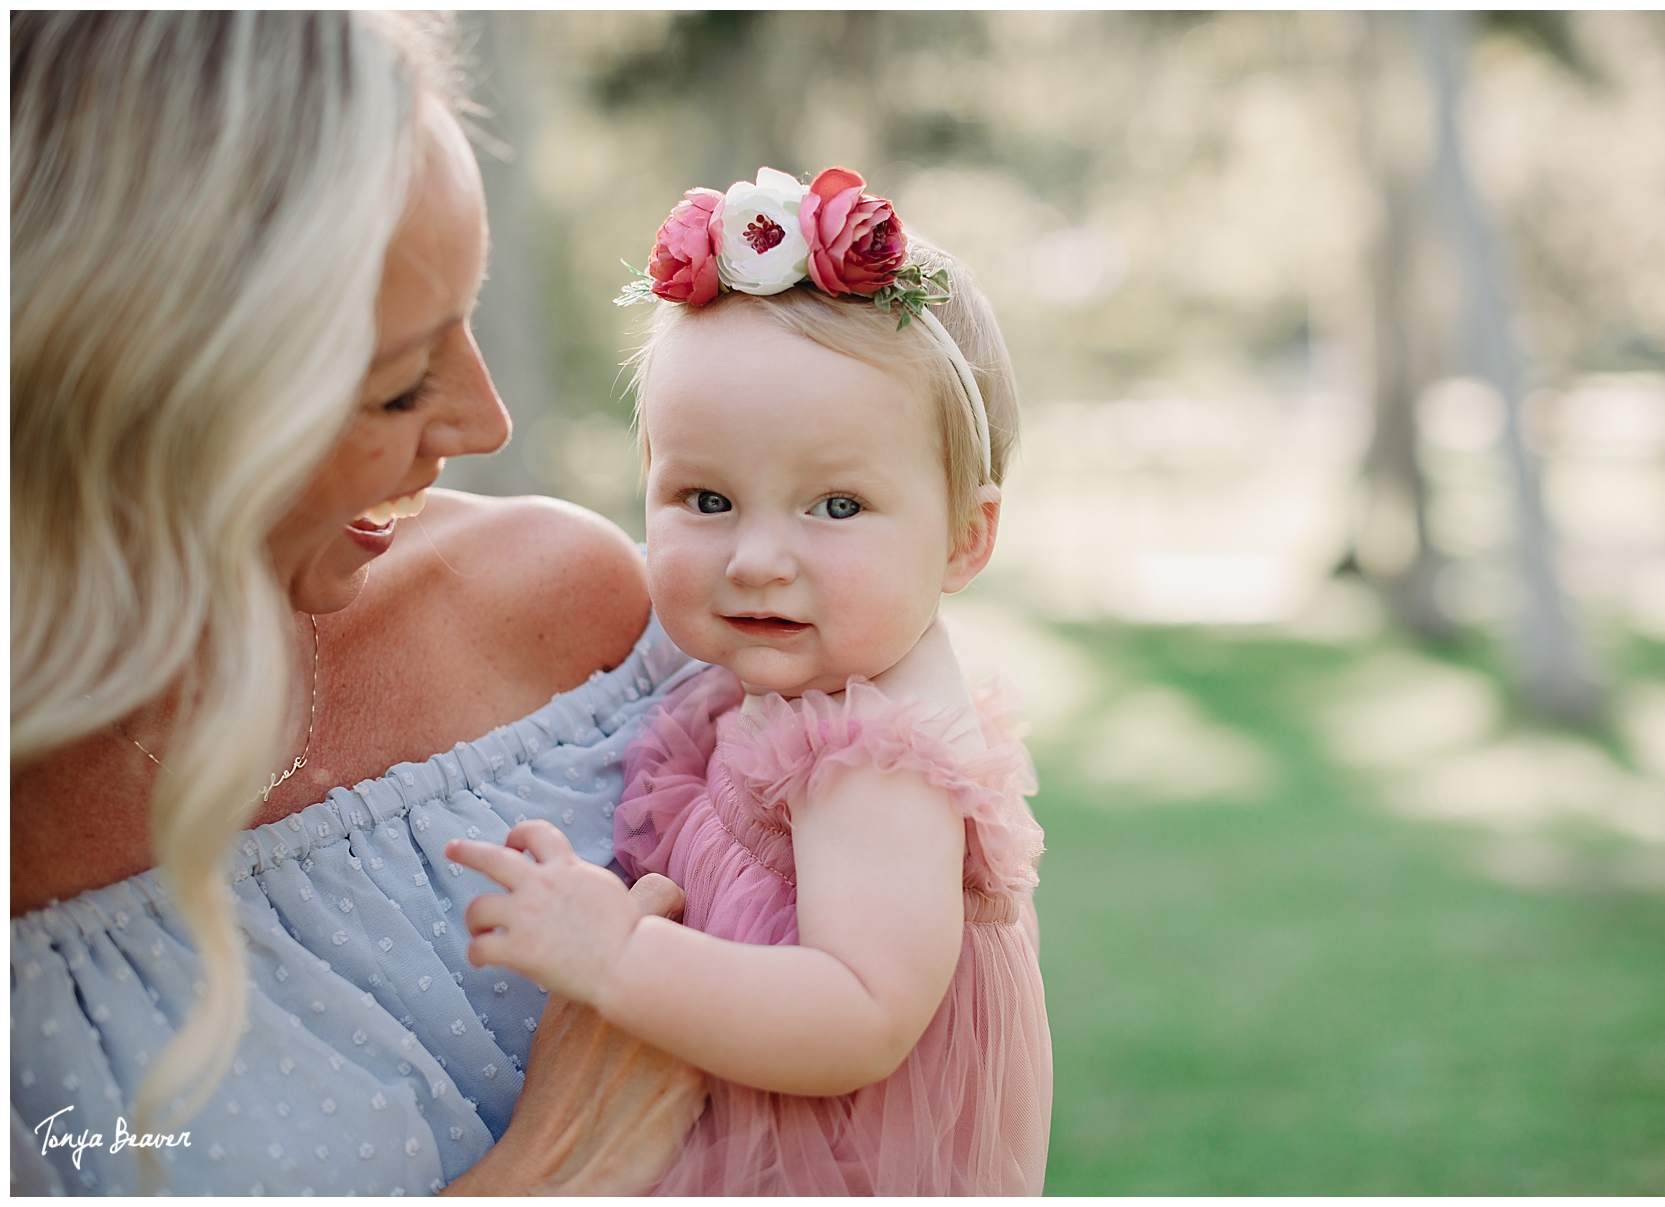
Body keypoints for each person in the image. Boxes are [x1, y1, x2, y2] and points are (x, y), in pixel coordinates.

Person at [11, 13, 704, 1195]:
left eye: (467, 323)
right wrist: (551, 1170)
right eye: (395, 389)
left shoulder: (574, 621)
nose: (488, 425)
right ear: (115, 401)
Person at [445, 167, 1053, 1194]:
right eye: (708, 496)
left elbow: (859, 1013)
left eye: (838, 506)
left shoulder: (878, 761)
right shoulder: (806, 673)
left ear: (966, 535)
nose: (758, 557)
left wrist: (616, 961)